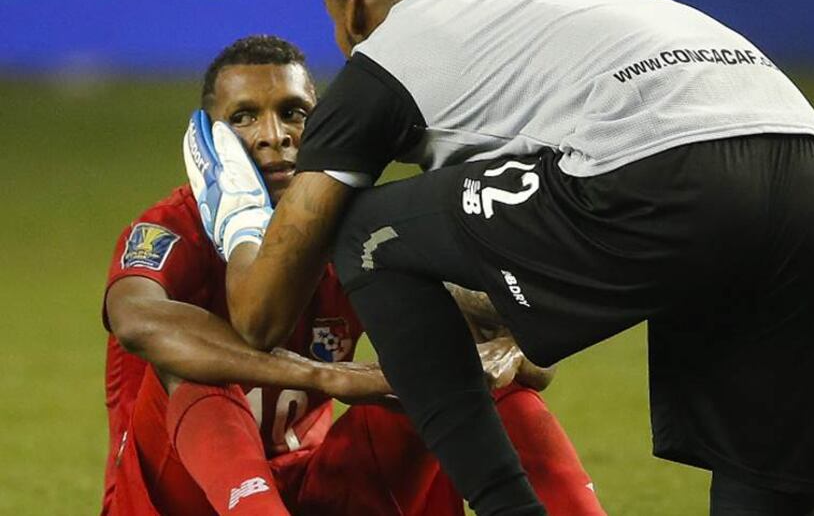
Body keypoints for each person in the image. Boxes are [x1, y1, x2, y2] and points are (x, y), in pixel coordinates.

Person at [183, 0, 814, 516]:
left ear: (354, 8)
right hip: (813, 172)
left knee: (364, 233)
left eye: (337, 25)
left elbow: (259, 313)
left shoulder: (388, 57)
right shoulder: (542, 21)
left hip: (668, 170)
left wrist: (238, 215)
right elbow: (514, 236)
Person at [104, 34, 604, 515]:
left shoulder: (354, 229)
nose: (273, 135)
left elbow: (530, 357)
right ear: (206, 140)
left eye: (292, 113)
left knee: (460, 374)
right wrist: (324, 376)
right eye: (244, 118)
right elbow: (137, 321)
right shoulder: (173, 226)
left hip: (314, 485)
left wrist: (506, 350)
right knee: (192, 362)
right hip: (179, 497)